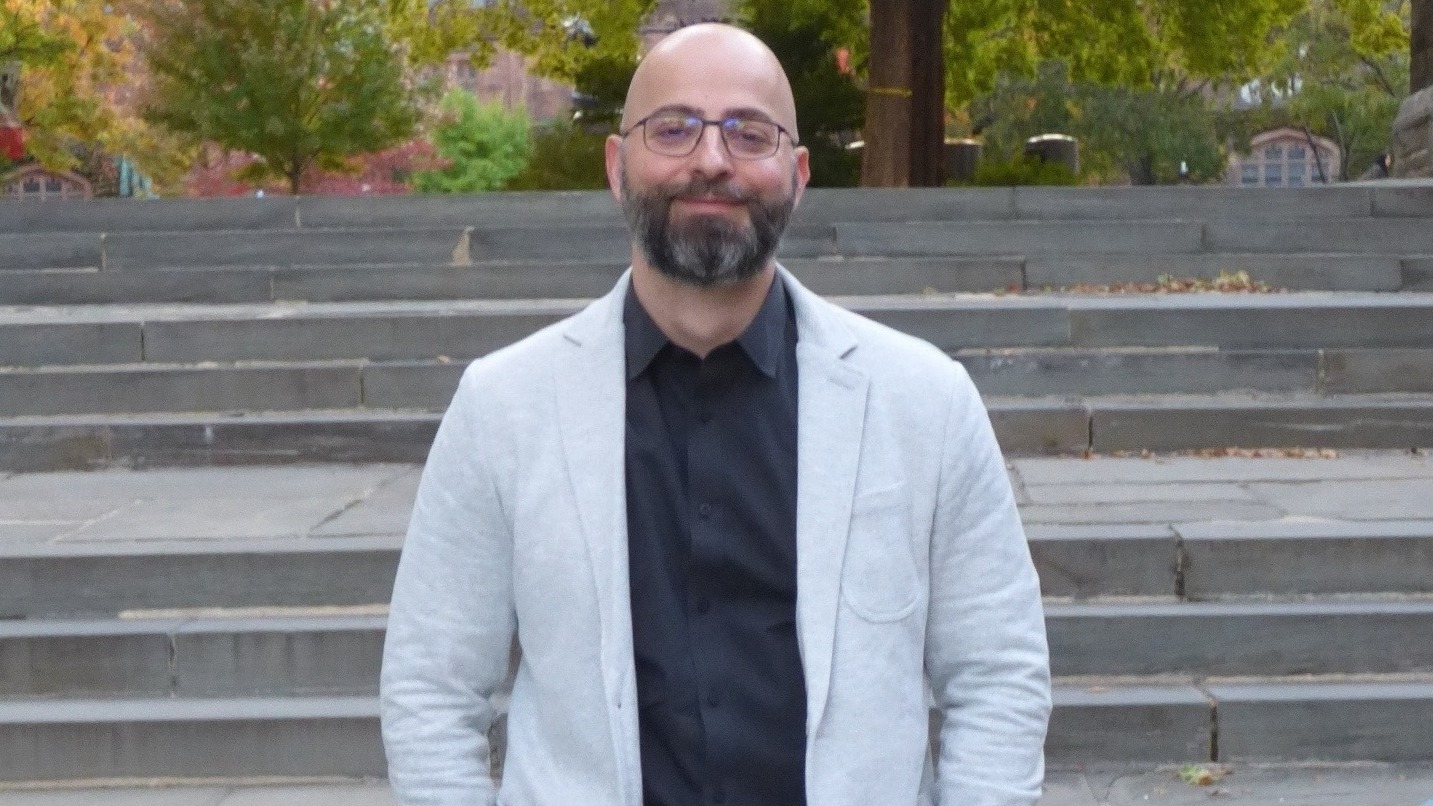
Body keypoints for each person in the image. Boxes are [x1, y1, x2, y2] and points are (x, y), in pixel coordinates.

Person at [381, 22, 1050, 806]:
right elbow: (432, 689)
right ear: (615, 164)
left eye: (748, 132)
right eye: (672, 129)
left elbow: (997, 675)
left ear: (797, 174)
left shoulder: (923, 403)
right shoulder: (504, 407)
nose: (710, 159)